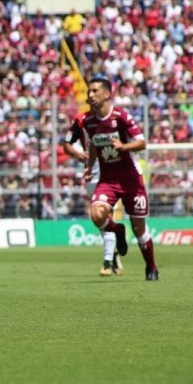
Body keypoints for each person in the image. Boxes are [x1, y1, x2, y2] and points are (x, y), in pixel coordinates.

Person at [81, 76, 159, 281]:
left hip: (131, 179)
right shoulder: (88, 122)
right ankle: (117, 230)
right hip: (108, 180)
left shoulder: (121, 117)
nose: (90, 95)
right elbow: (91, 145)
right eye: (89, 92)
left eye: (94, 91)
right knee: (97, 215)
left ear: (107, 94)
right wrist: (89, 167)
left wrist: (124, 147)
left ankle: (151, 267)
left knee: (139, 230)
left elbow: (142, 143)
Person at [61, 113, 122, 277]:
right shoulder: (81, 120)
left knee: (106, 213)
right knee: (99, 217)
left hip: (111, 172)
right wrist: (78, 154)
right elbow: (66, 145)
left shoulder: (116, 116)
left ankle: (108, 261)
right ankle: (113, 249)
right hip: (92, 175)